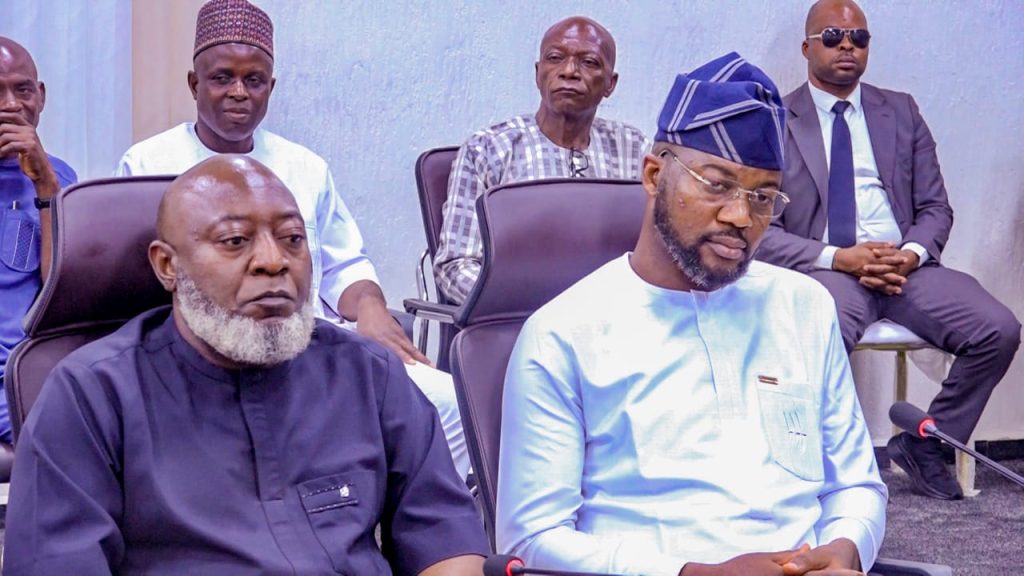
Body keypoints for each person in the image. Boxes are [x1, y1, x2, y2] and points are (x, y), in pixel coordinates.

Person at [4, 155, 489, 575]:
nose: (273, 262)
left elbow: (447, 540)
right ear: (168, 266)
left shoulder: (368, 374)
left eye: (293, 239)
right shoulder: (90, 395)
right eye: (235, 241)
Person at [498, 53, 887, 576]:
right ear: (655, 175)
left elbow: (856, 484)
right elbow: (532, 538)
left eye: (763, 197)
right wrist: (692, 574)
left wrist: (844, 549)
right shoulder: (563, 333)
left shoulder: (805, 306)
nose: (740, 217)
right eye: (716, 184)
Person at [116, 0, 470, 479]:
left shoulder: (304, 166)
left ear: (271, 88)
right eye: (222, 78)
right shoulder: (148, 164)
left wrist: (371, 308)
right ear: (195, 84)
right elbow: (144, 283)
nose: (238, 92)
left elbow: (344, 264)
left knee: (448, 400)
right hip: (205, 346)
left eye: (254, 80)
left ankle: (400, 511)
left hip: (306, 340)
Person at [756, 0, 1021, 500]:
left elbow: (935, 207)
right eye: (832, 36)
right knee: (816, 331)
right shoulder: (775, 119)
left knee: (998, 328)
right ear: (806, 47)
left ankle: (928, 446)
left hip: (906, 269)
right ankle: (813, 464)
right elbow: (762, 231)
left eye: (858, 38)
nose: (847, 46)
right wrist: (840, 257)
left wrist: (912, 253)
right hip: (827, 270)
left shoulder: (900, 111)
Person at [434, 16, 650, 305]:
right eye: (555, 58)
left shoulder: (634, 149)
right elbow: (455, 266)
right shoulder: (487, 150)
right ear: (538, 74)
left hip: (612, 314)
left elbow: (657, 251)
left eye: (589, 62)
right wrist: (529, 306)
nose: (569, 72)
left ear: (610, 84)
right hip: (519, 315)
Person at [0, 36, 77, 444]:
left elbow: (59, 290)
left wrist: (45, 185)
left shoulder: (59, 176)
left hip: (37, 371)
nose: (12, 105)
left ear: (41, 96)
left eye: (23, 90)